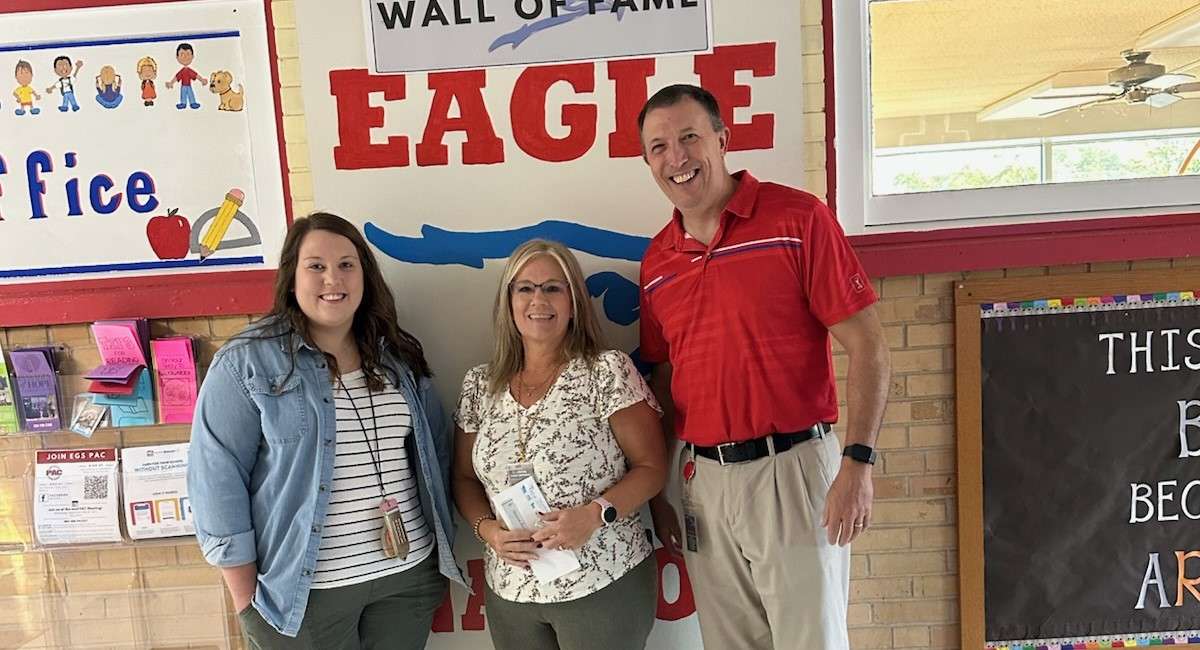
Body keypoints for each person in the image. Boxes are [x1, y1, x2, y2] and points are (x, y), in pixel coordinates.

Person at [637, 84, 892, 650]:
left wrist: (857, 464)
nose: (676, 158)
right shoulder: (656, 262)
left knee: (811, 642)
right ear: (647, 161)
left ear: (722, 140)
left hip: (793, 471)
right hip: (703, 482)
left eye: (689, 138)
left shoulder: (797, 219)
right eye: (659, 147)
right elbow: (664, 382)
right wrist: (659, 492)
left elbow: (870, 346)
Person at [187, 212, 466, 649]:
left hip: (406, 581)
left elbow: (436, 454)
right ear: (292, 277)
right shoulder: (246, 363)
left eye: (346, 265)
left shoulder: (397, 354)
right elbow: (215, 482)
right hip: (306, 597)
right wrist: (246, 600)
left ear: (364, 276)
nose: (332, 278)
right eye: (315, 266)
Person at [453, 239, 667, 650]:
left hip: (602, 579)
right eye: (525, 288)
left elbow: (652, 467)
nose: (539, 299)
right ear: (508, 301)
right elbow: (463, 478)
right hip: (512, 593)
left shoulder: (607, 371)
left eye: (553, 287)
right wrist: (489, 532)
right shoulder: (479, 385)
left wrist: (594, 515)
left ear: (573, 302)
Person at [165, 43, 202, 110]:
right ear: (177, 57)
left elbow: (196, 75)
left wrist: (202, 80)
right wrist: (171, 83)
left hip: (188, 85)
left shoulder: (189, 70)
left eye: (188, 54)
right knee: (183, 94)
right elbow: (177, 77)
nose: (185, 57)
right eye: (182, 54)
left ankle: (193, 103)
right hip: (183, 85)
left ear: (192, 56)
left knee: (190, 93)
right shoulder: (182, 71)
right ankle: (183, 103)